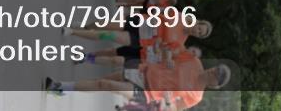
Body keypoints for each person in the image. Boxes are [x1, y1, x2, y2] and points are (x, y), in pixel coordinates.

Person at [44, 51, 230, 109]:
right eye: (215, 69)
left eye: (215, 76)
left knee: (106, 85)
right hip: (144, 72)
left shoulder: (196, 96)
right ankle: (65, 88)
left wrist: (167, 101)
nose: (211, 72)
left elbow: (174, 108)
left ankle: (60, 86)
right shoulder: (194, 61)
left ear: (215, 85)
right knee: (103, 81)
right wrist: (167, 59)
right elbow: (168, 52)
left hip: (148, 93)